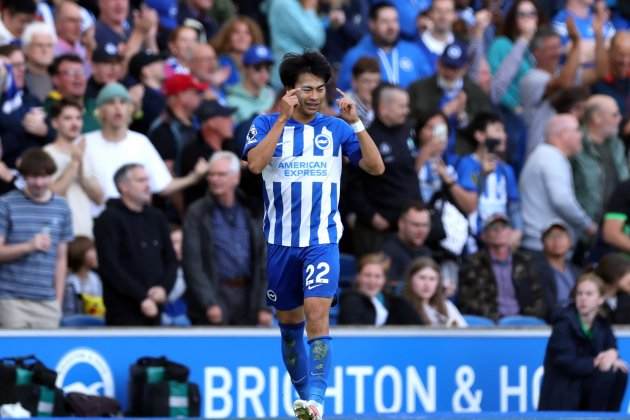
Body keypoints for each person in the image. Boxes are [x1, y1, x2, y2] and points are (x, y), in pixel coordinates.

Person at [242, 51, 384, 420]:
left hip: (321, 241)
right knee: (290, 329)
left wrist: (357, 124)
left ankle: (317, 400)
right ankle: (307, 398)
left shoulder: (335, 129)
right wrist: (282, 120)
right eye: (306, 88)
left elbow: (375, 166)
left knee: (317, 315)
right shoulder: (263, 123)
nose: (314, 95)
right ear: (289, 90)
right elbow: (255, 165)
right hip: (280, 245)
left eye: (320, 88)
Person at [82, 82, 209, 215]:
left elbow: (163, 185)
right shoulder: (85, 143)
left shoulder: (140, 142)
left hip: (134, 223)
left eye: (123, 102)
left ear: (131, 109)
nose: (118, 107)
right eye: (110, 103)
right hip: (96, 223)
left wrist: (194, 177)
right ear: (100, 111)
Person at [183, 151, 269, 326]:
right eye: (211, 174)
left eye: (221, 174)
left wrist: (265, 305)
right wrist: (209, 302)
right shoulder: (197, 212)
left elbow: (265, 261)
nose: (215, 179)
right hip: (215, 294)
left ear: (236, 177)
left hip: (248, 295)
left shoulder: (252, 210)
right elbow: (193, 263)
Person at [94, 163, 177, 326]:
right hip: (123, 311)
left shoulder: (157, 217)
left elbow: (171, 260)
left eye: (148, 180)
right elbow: (110, 267)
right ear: (123, 186)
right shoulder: (108, 219)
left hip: (156, 307)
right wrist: (142, 297)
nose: (148, 186)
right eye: (141, 180)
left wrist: (164, 289)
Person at [0, 148, 73, 328]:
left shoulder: (62, 207)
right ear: (23, 176)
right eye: (33, 177)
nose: (39, 182)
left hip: (47, 303)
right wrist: (29, 246)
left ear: (51, 176)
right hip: (11, 300)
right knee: (15, 356)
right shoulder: (6, 204)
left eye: (44, 176)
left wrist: (58, 300)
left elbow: (61, 259)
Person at [346, 83, 421, 256]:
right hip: (376, 229)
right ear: (384, 108)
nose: (406, 111)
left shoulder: (408, 132)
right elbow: (353, 184)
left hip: (405, 226)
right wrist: (371, 216)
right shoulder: (368, 139)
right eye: (401, 106)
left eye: (407, 106)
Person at [538, 273, 628, 411]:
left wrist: (612, 355)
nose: (583, 298)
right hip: (563, 389)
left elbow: (611, 346)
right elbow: (566, 361)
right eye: (579, 294)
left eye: (589, 294)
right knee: (605, 374)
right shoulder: (563, 324)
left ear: (600, 299)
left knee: (619, 371)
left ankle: (610, 416)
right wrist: (596, 362)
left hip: (585, 385)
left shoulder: (602, 323)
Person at [520, 114, 596, 253]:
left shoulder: (546, 155)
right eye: (577, 130)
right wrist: (587, 225)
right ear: (563, 135)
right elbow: (562, 201)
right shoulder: (551, 157)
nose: (581, 135)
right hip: (542, 245)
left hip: (542, 242)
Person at [408, 41, 493, 158]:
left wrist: (462, 117)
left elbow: (484, 129)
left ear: (465, 68)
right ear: (438, 63)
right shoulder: (418, 88)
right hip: (424, 152)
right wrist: (443, 113)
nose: (449, 72)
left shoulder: (476, 93)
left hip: (463, 155)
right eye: (446, 66)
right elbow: (410, 122)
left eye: (455, 68)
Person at [457, 213, 547, 321]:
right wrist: (495, 319)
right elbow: (468, 300)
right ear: (484, 236)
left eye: (503, 227)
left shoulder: (525, 262)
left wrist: (526, 318)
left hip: (524, 324)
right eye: (494, 228)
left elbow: (539, 296)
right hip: (488, 326)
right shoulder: (473, 263)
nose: (499, 231)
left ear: (510, 233)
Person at [455, 113, 522, 243]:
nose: (504, 136)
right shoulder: (467, 164)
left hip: (502, 237)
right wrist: (482, 175)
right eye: (498, 130)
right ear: (479, 135)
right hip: (475, 239)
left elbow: (514, 206)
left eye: (504, 131)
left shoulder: (506, 169)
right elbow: (468, 202)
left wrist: (518, 231)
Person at [337, 2, 433, 91]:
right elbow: (343, 95)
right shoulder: (355, 56)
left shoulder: (414, 52)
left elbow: (428, 88)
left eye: (394, 21)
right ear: (372, 24)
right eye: (384, 21)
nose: (391, 27)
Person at [44, 99, 104, 238]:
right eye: (68, 118)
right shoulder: (46, 154)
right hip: (56, 235)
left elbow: (99, 198)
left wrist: (81, 167)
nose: (74, 123)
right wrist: (74, 163)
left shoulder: (86, 155)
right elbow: (50, 196)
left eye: (78, 118)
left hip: (85, 233)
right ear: (54, 123)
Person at [572, 94, 628, 223]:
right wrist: (585, 224)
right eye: (615, 115)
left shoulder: (616, 144)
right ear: (596, 118)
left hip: (616, 222)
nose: (620, 119)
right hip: (587, 226)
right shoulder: (576, 145)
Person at [338, 252, 420, 325]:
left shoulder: (395, 302)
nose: (372, 281)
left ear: (384, 279)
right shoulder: (350, 300)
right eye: (367, 275)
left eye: (377, 276)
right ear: (358, 277)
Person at [266, 0, 326, 89]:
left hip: (300, 75)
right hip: (289, 76)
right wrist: (310, 9)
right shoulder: (284, 3)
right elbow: (314, 39)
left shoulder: (295, 4)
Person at [381, 202, 433, 292]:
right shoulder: (387, 251)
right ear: (401, 224)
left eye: (425, 225)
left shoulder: (426, 252)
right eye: (416, 225)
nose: (421, 231)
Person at [402, 257, 467, 327]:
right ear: (410, 279)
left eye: (432, 279)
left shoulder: (447, 306)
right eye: (422, 278)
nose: (427, 284)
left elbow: (464, 333)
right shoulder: (401, 308)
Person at [536, 221, 581, 322]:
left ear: (570, 242)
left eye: (561, 236)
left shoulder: (577, 271)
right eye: (551, 236)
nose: (556, 241)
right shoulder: (535, 270)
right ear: (542, 242)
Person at [226, 44, 276, 125]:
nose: (264, 73)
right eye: (258, 67)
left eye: (267, 68)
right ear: (245, 69)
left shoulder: (271, 95)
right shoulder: (231, 100)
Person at [211, 16, 265, 88]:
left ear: (253, 38)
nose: (242, 36)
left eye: (247, 33)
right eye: (236, 32)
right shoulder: (219, 63)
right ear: (227, 37)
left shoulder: (259, 65)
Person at [63, 235, 104, 317]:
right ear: (80, 253)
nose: (96, 253)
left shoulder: (95, 279)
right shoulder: (70, 283)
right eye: (92, 249)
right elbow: (68, 313)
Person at [22, 22, 55, 102]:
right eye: (39, 45)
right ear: (26, 49)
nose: (45, 50)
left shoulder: (59, 74)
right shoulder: (18, 76)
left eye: (49, 45)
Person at [345, 57, 380, 127]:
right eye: (366, 81)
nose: (373, 87)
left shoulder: (383, 104)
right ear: (354, 82)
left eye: (376, 82)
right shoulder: (344, 107)